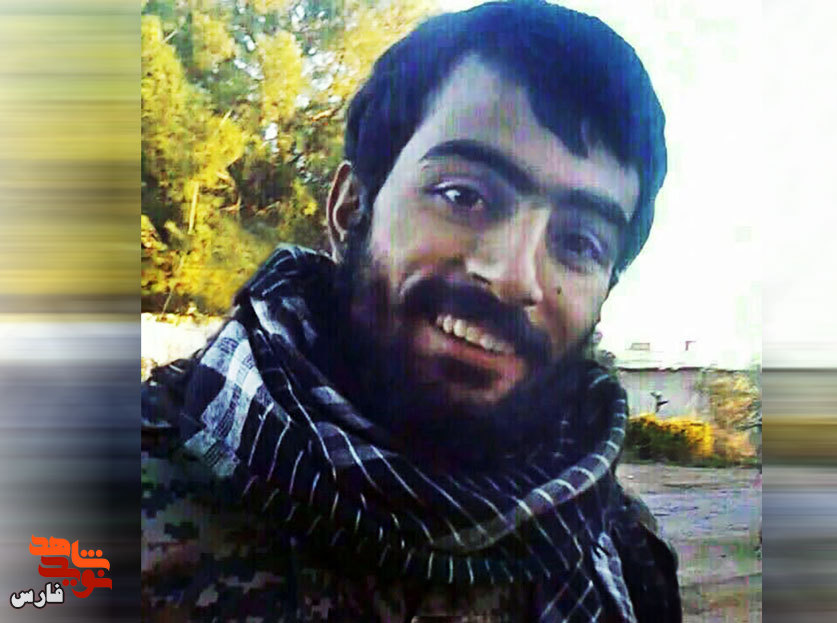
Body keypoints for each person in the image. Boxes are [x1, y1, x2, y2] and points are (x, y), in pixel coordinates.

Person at [142, 2, 681, 621]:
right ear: (350, 209)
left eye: (580, 243)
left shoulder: (626, 556)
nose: (514, 276)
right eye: (463, 195)